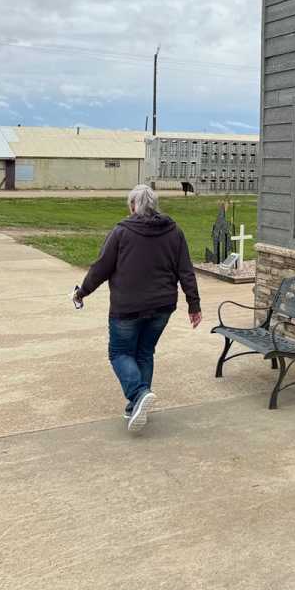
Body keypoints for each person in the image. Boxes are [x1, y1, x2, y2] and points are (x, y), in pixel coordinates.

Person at [73, 184, 201, 433]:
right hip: (163, 306)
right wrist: (193, 304)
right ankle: (136, 406)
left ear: (133, 205)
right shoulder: (174, 231)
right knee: (144, 352)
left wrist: (81, 292)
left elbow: (101, 267)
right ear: (154, 204)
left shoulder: (122, 232)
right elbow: (186, 270)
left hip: (127, 307)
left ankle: (139, 393)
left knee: (119, 353)